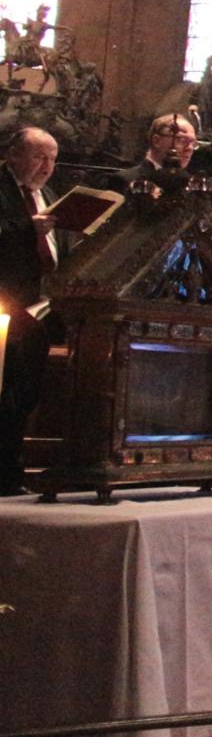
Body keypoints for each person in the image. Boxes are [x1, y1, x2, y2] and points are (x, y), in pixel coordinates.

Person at [0, 127, 64, 493]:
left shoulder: (49, 195)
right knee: (3, 393)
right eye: (40, 156)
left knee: (24, 395)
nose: (47, 166)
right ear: (13, 156)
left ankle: (12, 470)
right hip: (7, 302)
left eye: (53, 159)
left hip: (39, 312)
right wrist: (28, 228)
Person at [116, 113, 197, 187]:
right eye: (182, 140)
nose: (189, 148)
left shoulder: (192, 184)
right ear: (156, 141)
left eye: (193, 143)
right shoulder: (125, 181)